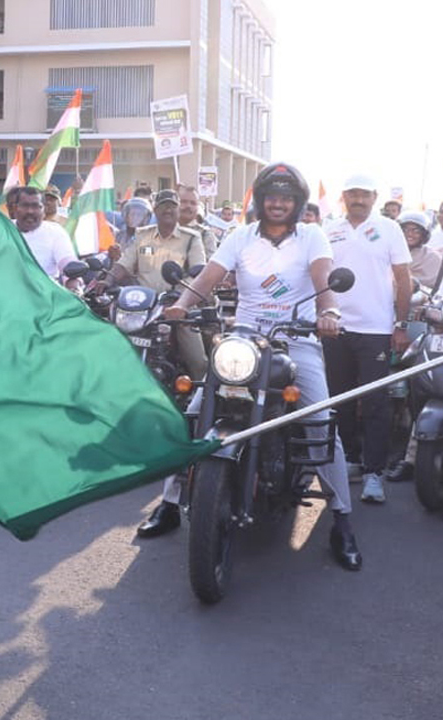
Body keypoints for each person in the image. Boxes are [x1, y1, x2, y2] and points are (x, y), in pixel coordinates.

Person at [161, 162, 359, 569]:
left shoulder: (312, 236)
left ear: (297, 202)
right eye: (271, 196)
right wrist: (181, 304)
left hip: (296, 339)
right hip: (243, 339)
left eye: (286, 197)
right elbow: (209, 278)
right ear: (260, 200)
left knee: (321, 421)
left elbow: (324, 283)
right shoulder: (239, 236)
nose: (278, 204)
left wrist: (331, 314)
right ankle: (168, 503)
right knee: (196, 412)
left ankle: (342, 519)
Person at [114, 189, 210, 539]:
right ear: (155, 211)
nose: (169, 214)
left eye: (173, 209)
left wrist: (185, 294)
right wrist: (107, 281)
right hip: (141, 307)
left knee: (199, 359)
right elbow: (125, 265)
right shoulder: (141, 236)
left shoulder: (192, 237)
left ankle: (204, 410)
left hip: (175, 306)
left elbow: (200, 272)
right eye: (163, 209)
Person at [322, 174, 412, 503]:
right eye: (352, 194)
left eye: (364, 194)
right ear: (342, 197)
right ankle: (351, 461)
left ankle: (375, 472)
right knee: (339, 399)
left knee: (375, 402)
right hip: (335, 328)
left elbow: (403, 279)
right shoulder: (328, 229)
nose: (358, 199)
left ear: (374, 197)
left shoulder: (390, 229)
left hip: (376, 329)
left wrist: (401, 324)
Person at [12, 186, 78, 285]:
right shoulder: (1, 229)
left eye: (36, 206)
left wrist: (74, 285)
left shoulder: (55, 232)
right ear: (15, 208)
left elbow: (68, 264)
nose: (30, 211)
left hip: (44, 294)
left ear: (44, 210)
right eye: (25, 206)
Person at [398, 210, 442, 289]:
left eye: (416, 231)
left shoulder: (432, 257)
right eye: (405, 230)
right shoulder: (390, 254)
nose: (410, 234)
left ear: (424, 234)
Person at [177, 185, 216, 257]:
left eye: (193, 203)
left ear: (197, 207)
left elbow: (210, 263)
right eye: (184, 202)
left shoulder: (205, 234)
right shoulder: (165, 230)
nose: (188, 206)